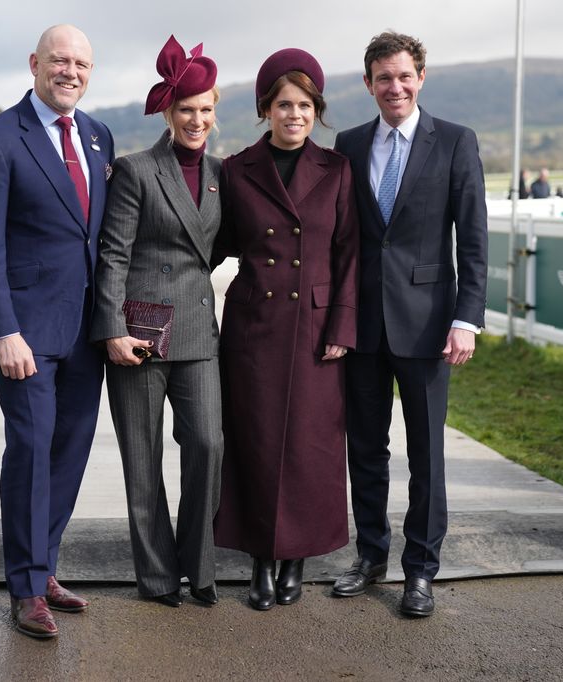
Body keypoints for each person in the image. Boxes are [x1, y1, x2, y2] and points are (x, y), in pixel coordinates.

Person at [0, 24, 114, 640]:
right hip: (26, 333)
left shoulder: (98, 136)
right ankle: (24, 588)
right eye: (59, 61)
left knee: (70, 450)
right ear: (34, 64)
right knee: (30, 447)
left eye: (80, 63)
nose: (69, 72)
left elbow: (96, 238)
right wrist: (2, 331)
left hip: (85, 332)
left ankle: (43, 565)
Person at [332, 31, 487, 618]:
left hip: (428, 327)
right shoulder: (348, 144)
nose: (393, 87)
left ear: (421, 77)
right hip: (364, 326)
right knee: (365, 451)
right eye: (382, 78)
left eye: (403, 76)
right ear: (368, 82)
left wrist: (467, 319)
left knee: (426, 456)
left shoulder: (454, 141)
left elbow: (472, 240)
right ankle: (370, 556)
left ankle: (419, 570)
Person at [213, 48, 359, 611]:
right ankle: (259, 561)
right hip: (253, 326)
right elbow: (214, 241)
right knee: (253, 441)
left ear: (316, 110)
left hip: (318, 330)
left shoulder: (337, 170)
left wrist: (343, 324)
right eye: (282, 104)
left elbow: (349, 254)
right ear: (265, 109)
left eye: (303, 105)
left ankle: (296, 559)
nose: (293, 114)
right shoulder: (237, 169)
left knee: (309, 446)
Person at [90, 36, 224, 608]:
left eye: (207, 110)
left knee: (208, 445)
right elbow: (113, 254)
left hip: (196, 335)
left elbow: (213, 249)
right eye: (187, 109)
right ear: (169, 113)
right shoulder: (136, 170)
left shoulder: (222, 174)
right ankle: (157, 576)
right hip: (138, 336)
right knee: (142, 462)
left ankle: (199, 565)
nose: (197, 120)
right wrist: (112, 328)